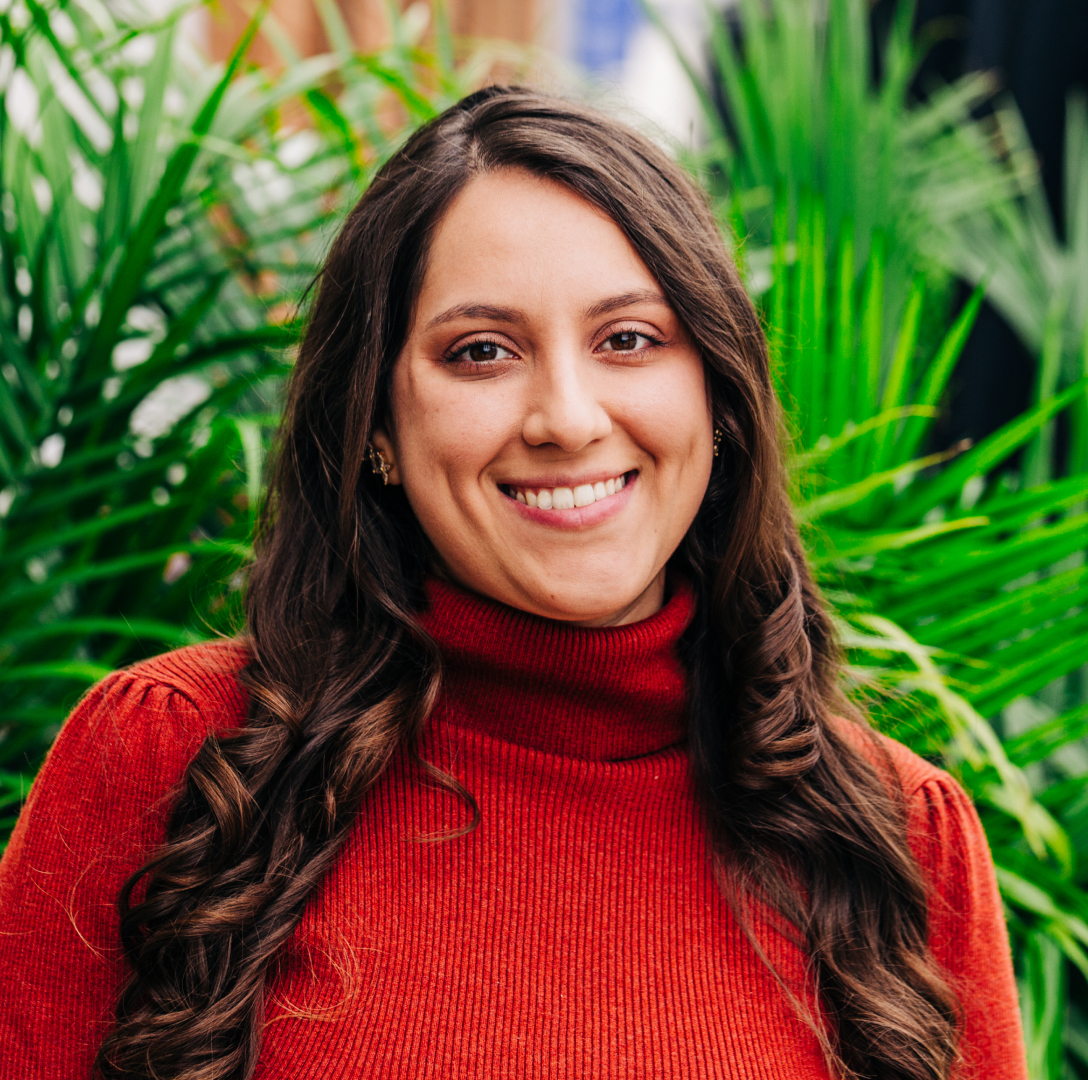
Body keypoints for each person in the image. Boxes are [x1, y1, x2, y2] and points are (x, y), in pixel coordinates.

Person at [0, 87, 1025, 1080]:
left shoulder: (896, 832)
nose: (566, 418)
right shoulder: (173, 758)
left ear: (714, 394)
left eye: (628, 339)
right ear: (378, 433)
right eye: (481, 352)